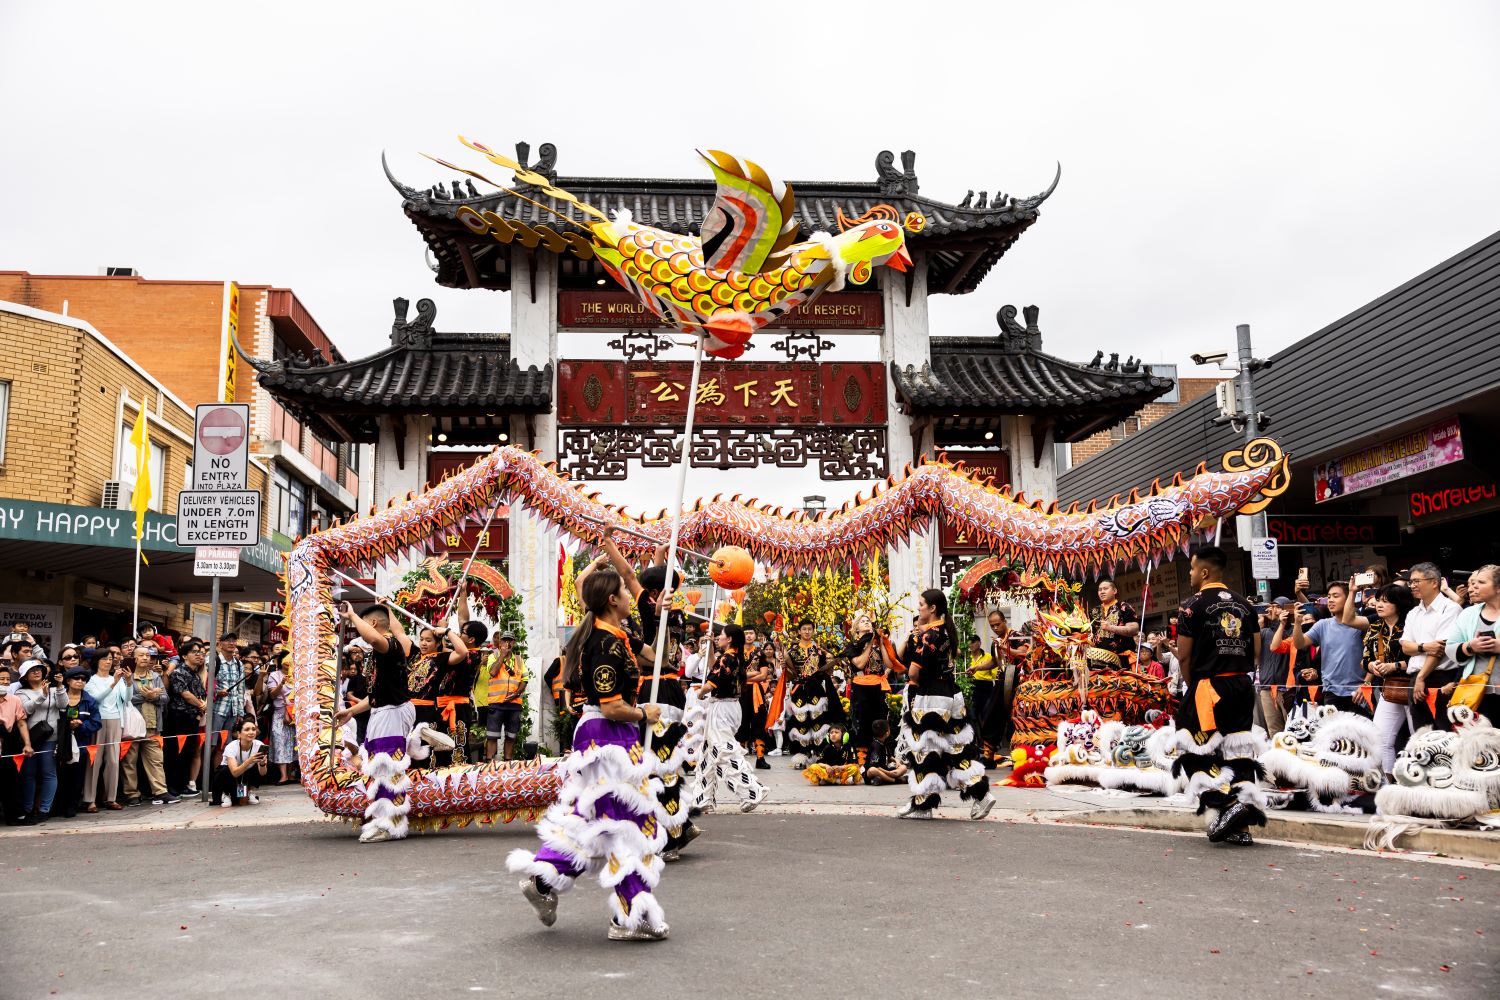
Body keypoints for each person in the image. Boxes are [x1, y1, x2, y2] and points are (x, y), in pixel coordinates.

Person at [508, 566, 672, 942]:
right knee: (624, 826)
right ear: (612, 600)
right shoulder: (603, 643)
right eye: (625, 593)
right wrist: (644, 713)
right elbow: (612, 706)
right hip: (606, 734)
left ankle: (543, 882)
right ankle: (631, 914)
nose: (631, 596)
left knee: (595, 821)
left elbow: (658, 657)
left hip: (615, 735)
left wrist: (661, 614)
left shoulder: (618, 634)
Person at [1171, 545, 1266, 845]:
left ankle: (1227, 805)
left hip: (1208, 688)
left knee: (1192, 746)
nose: (1189, 574)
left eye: (1191, 568)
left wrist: (1193, 687)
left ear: (1204, 571)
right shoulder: (1245, 605)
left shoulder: (1192, 606)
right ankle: (1242, 827)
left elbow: (1183, 658)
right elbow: (1256, 653)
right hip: (1241, 685)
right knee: (1237, 750)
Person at [336, 601, 453, 843]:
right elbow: (377, 694)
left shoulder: (388, 645)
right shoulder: (384, 653)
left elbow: (376, 638)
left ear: (373, 624)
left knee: (388, 767)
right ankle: (383, 819)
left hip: (392, 713)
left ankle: (393, 823)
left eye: (364, 625)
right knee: (378, 768)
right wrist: (352, 711)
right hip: (384, 711)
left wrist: (351, 616)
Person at [887, 588, 994, 820]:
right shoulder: (945, 632)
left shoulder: (929, 636)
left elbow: (914, 674)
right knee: (953, 748)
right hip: (949, 694)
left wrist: (908, 668)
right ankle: (932, 800)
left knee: (926, 750)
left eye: (921, 604)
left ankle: (926, 803)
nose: (918, 608)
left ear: (932, 608)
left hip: (930, 697)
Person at [691, 624, 768, 814]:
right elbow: (714, 668)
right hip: (728, 706)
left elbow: (711, 682)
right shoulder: (734, 657)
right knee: (708, 754)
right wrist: (710, 649)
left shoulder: (728, 657)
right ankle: (703, 799)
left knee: (724, 751)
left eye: (721, 635)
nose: (719, 638)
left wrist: (700, 693)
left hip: (723, 707)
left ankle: (752, 791)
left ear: (730, 639)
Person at [1290, 582, 1370, 716]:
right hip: (1330, 692)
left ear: (1349, 598)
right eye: (1329, 596)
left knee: (1359, 735)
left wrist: (1366, 685)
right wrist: (1297, 623)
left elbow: (1374, 656)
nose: (1331, 600)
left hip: (1358, 692)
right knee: (1334, 735)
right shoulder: (1323, 625)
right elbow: (1299, 644)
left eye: (1336, 596)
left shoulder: (1362, 624)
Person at [1401, 562, 1462, 730]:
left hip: (1441, 678)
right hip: (1415, 678)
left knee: (1445, 734)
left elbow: (1440, 649)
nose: (1412, 586)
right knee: (1421, 736)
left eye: (1416, 581)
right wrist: (1424, 647)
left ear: (1434, 582)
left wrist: (1422, 677)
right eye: (1410, 582)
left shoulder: (1450, 609)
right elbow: (1406, 647)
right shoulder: (1413, 613)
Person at [783, 622, 843, 768]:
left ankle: (819, 755)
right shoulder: (791, 651)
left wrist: (833, 662)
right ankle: (802, 756)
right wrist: (785, 667)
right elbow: (790, 675)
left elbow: (825, 672)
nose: (807, 631)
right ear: (799, 631)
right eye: (804, 629)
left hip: (816, 689)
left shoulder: (819, 651)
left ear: (813, 631)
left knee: (818, 721)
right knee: (801, 722)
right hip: (799, 690)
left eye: (810, 629)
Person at [409, 623, 470, 767]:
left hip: (426, 712)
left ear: (438, 644)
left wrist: (447, 631)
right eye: (421, 639)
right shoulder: (416, 657)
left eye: (428, 640)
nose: (423, 643)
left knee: (424, 750)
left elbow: (462, 652)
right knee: (408, 748)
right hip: (408, 711)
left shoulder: (441, 658)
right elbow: (399, 633)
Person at [1448, 564, 1500, 727]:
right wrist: (1470, 647)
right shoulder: (1468, 613)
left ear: (1498, 587)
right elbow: (1450, 648)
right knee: (1478, 746)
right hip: (1476, 692)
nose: (1474, 586)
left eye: (1481, 582)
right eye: (1474, 582)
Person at [15, 659, 67, 822]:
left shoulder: (53, 689)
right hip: (30, 738)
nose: (37, 672)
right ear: (25, 676)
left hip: (51, 737)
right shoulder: (21, 693)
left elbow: (63, 704)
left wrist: (59, 687)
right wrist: (42, 695)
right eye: (32, 671)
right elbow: (26, 709)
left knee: (49, 773)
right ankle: (28, 808)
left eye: (39, 669)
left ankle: (45, 809)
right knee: (29, 774)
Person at [122, 644, 173, 807]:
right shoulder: (126, 676)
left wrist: (153, 697)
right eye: (142, 655)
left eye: (147, 655)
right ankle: (131, 794)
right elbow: (125, 698)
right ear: (134, 658)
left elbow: (165, 698)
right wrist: (145, 696)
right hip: (132, 726)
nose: (146, 658)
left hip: (153, 724)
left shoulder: (155, 676)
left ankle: (160, 792)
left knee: (156, 760)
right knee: (130, 760)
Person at [82, 645, 131, 812]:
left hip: (116, 719)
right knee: (94, 760)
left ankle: (111, 798)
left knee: (113, 760)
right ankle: (89, 799)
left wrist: (128, 682)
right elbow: (95, 699)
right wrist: (113, 683)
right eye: (105, 659)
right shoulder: (91, 680)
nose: (108, 662)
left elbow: (126, 699)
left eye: (111, 659)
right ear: (97, 661)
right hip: (98, 721)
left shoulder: (116, 678)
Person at [55, 665, 102, 818]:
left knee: (76, 777)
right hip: (59, 743)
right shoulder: (59, 696)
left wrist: (81, 726)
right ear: (68, 681)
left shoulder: (90, 701)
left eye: (83, 679)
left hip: (81, 744)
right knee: (59, 775)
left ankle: (71, 806)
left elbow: (96, 722)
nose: (80, 681)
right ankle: (56, 806)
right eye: (76, 678)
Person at [164, 639, 210, 796]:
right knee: (175, 752)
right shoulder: (178, 672)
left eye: (201, 652)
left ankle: (183, 784)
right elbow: (185, 694)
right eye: (195, 652)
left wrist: (201, 706)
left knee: (188, 752)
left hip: (193, 718)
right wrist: (201, 704)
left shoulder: (196, 675)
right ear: (184, 656)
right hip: (178, 717)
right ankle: (172, 786)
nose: (199, 655)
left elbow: (201, 693)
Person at [486, 631, 525, 761]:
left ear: (513, 643)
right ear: (500, 642)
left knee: (511, 736)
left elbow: (525, 679)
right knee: (492, 735)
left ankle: (508, 762)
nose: (507, 643)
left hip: (514, 704)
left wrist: (517, 693)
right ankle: (490, 762)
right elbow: (492, 672)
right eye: (504, 640)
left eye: (510, 640)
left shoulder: (519, 659)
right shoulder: (493, 656)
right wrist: (502, 655)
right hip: (496, 703)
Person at [1255, 598, 1292, 736]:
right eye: (1272, 607)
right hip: (1266, 687)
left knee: (1292, 729)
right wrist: (1264, 620)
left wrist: (1278, 622)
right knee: (1274, 732)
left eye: (1278, 607)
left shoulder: (1292, 630)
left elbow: (1285, 636)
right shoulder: (1264, 632)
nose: (1274, 610)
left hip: (1286, 689)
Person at [213, 717, 268, 807]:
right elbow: (234, 773)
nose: (251, 732)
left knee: (260, 767)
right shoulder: (231, 746)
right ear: (239, 734)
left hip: (245, 776)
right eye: (247, 730)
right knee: (224, 770)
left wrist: (262, 763)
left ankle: (249, 791)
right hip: (231, 776)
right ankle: (226, 794)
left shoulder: (260, 745)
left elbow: (262, 774)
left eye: (253, 729)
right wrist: (249, 761)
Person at [263, 651, 297, 784]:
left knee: (293, 743)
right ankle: (283, 775)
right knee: (280, 743)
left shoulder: (297, 674)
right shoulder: (274, 675)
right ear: (281, 661)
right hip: (280, 713)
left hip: (295, 714)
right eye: (287, 660)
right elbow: (272, 695)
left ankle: (291, 774)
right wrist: (281, 683)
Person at [1091, 578, 1140, 663]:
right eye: (1100, 590)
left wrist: (1110, 627)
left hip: (1122, 658)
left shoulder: (1124, 607)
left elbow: (1134, 630)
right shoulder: (1094, 611)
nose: (1102, 592)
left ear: (1114, 591)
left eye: (1105, 589)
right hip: (1098, 659)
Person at [862, 718, 907, 785]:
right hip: (875, 771)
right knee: (872, 770)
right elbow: (875, 766)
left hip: (884, 770)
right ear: (887, 733)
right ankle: (894, 781)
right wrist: (889, 773)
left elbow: (889, 757)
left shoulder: (884, 742)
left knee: (904, 767)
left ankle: (881, 779)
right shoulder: (875, 746)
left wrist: (896, 761)